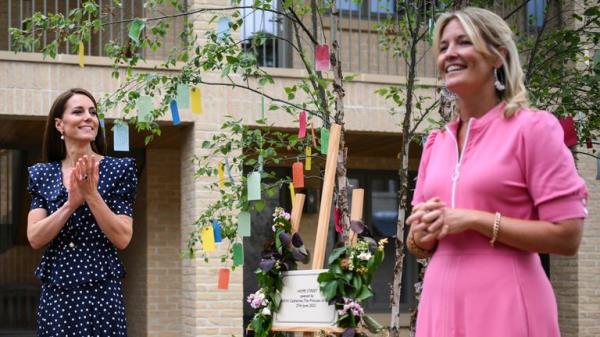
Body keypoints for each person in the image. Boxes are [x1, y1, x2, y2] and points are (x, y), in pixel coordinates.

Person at [405, 7, 588, 337]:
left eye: (463, 42)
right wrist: (420, 234)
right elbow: (419, 243)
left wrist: (475, 219)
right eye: (443, 47)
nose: (450, 54)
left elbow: (568, 236)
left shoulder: (532, 129)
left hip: (506, 301)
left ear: (497, 56)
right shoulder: (437, 142)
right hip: (440, 302)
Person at [27, 88, 138, 336]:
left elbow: (122, 237)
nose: (88, 117)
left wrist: (91, 194)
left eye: (93, 112)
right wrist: (70, 204)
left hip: (102, 290)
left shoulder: (119, 170)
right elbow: (35, 237)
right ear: (59, 125)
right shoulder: (41, 174)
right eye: (78, 111)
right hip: (57, 291)